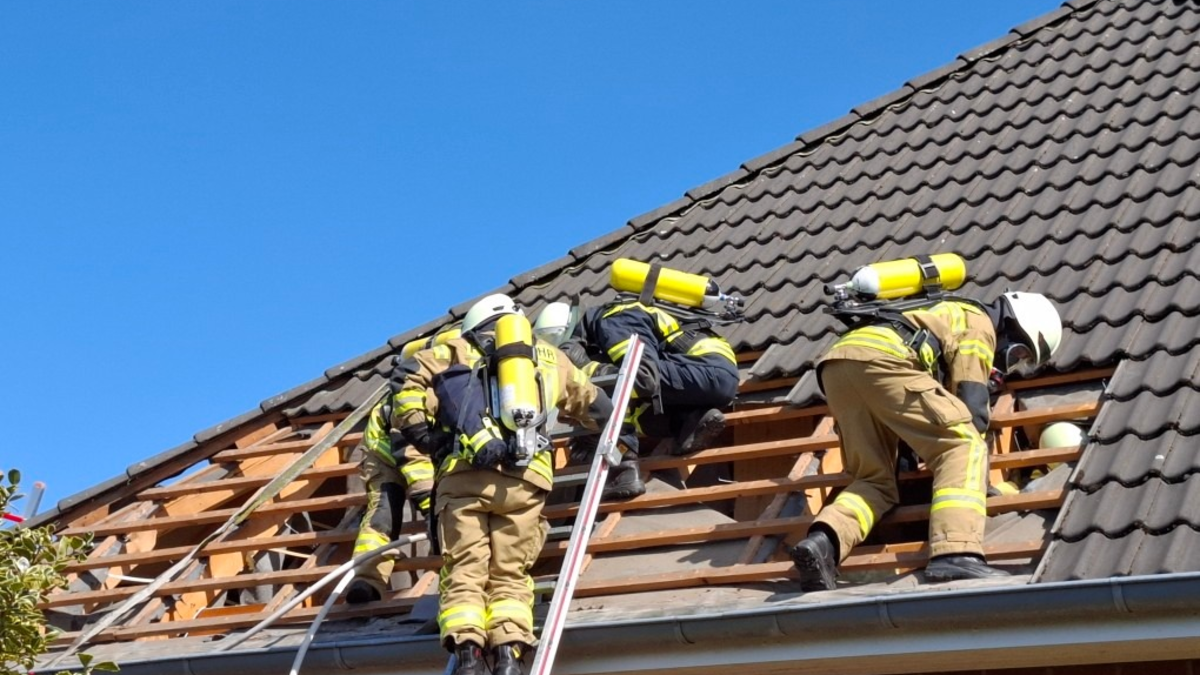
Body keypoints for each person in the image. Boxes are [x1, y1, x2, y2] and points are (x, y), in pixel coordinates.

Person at [392, 293, 619, 675]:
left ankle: (467, 655)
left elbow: (405, 385)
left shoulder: (452, 349)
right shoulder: (547, 356)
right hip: (526, 479)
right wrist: (613, 440)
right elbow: (597, 406)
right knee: (511, 572)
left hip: (464, 476)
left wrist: (424, 436)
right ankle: (509, 654)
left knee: (465, 566)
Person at [789, 291, 1063, 589]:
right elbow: (971, 403)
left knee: (874, 481)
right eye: (1019, 354)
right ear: (1016, 325)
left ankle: (822, 545)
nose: (1011, 362)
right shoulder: (980, 324)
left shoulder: (941, 312)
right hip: (885, 361)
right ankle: (957, 553)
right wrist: (976, 484)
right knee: (964, 446)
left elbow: (915, 415)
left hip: (838, 367)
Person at [545, 298, 739, 499]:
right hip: (711, 377)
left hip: (705, 368)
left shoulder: (614, 318)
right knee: (640, 413)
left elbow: (642, 378)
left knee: (610, 379)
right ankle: (689, 422)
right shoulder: (613, 323)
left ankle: (623, 469)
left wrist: (585, 371)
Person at [346, 392, 435, 604]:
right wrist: (430, 507)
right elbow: (414, 461)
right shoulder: (411, 402)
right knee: (382, 517)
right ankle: (366, 580)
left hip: (421, 451)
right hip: (383, 455)